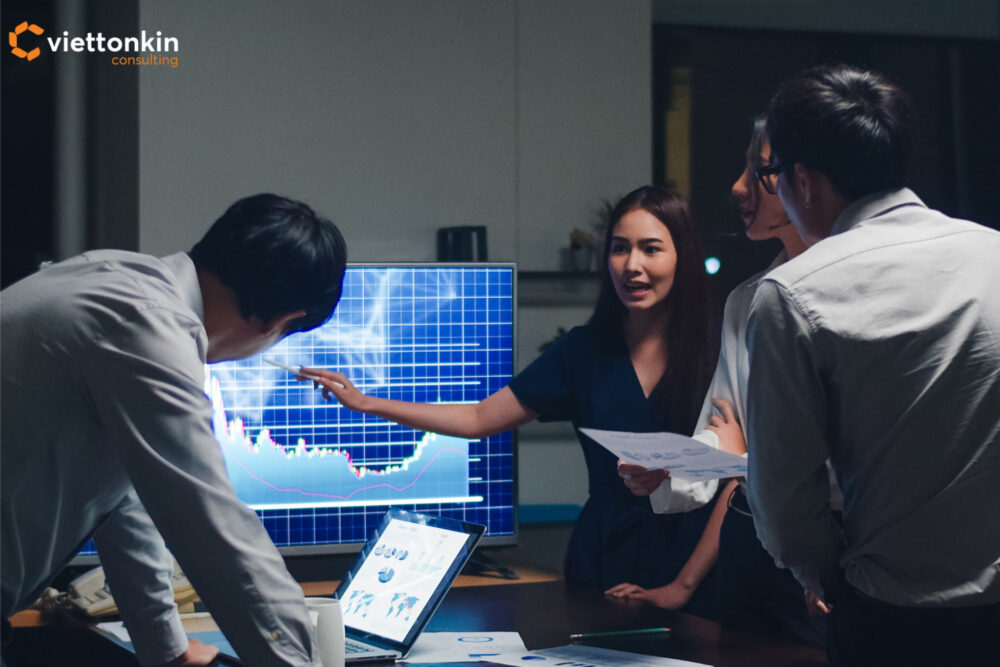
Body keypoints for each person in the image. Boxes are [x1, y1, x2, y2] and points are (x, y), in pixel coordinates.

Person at [302, 185, 718, 598]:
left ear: (682, 256)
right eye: (620, 248)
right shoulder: (583, 350)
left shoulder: (717, 349)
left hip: (694, 562)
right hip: (603, 558)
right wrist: (365, 402)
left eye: (651, 249)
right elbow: (478, 418)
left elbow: (735, 476)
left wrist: (682, 587)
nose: (632, 265)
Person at [1, 194, 348, 667]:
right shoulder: (147, 328)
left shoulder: (111, 275)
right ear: (278, 321)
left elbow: (123, 498)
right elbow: (213, 529)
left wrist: (167, 650)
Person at [745, 64, 1000, 665]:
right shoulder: (993, 253)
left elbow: (784, 504)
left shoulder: (794, 293)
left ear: (803, 180)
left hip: (891, 619)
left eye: (772, 177)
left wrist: (828, 577)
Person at [610, 118, 828, 648]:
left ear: (805, 180)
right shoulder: (747, 300)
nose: (737, 186)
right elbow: (725, 434)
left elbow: (832, 457)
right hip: (750, 544)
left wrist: (739, 457)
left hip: (833, 547)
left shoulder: (852, 293)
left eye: (757, 170)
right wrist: (670, 465)